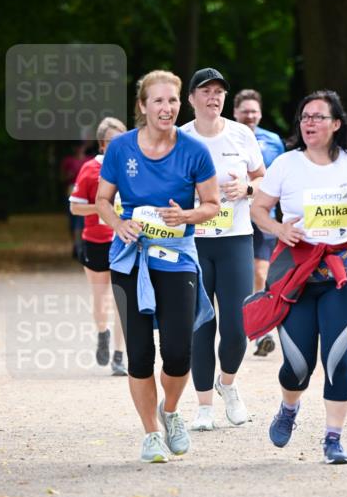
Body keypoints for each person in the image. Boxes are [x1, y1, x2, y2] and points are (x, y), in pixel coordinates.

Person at [251, 89, 347, 465]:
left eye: (318, 117)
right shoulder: (285, 165)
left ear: (336, 124)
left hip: (342, 273)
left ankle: (333, 438)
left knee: (338, 357)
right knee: (298, 366)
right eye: (305, 117)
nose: (309, 123)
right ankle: (289, 408)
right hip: (295, 273)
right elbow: (259, 209)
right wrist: (278, 230)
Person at [95, 70, 220, 463]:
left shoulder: (195, 151)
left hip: (178, 257)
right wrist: (119, 223)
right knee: (140, 354)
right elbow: (102, 200)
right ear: (142, 106)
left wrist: (186, 215)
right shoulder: (121, 149)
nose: (166, 108)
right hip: (131, 257)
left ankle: (170, 411)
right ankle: (150, 433)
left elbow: (214, 205)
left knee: (179, 352)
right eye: (158, 101)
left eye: (172, 101)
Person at [181, 69, 266, 430]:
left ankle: (227, 385)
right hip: (193, 242)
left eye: (219, 92)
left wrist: (246, 189)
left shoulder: (241, 134)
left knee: (236, 327)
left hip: (235, 239)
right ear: (191, 99)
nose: (213, 97)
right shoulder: (179, 138)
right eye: (206, 91)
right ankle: (203, 407)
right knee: (201, 324)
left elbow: (263, 180)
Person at [69, 117, 128, 375]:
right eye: (114, 141)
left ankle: (118, 356)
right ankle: (102, 334)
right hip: (96, 241)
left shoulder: (133, 168)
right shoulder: (90, 169)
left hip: (125, 241)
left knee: (123, 302)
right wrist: (103, 207)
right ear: (103, 144)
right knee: (101, 298)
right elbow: (74, 207)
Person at [233, 88, 285, 357]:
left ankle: (261, 332)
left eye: (254, 111)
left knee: (260, 273)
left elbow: (282, 177)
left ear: (261, 113)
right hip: (230, 217)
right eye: (245, 111)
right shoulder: (226, 136)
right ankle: (233, 329)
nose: (250, 115)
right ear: (235, 113)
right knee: (235, 277)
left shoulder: (274, 141)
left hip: (264, 216)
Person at [60, 140, 93, 259]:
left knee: (83, 220)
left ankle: (82, 245)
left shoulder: (89, 160)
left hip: (86, 193)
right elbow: (62, 177)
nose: (79, 149)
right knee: (73, 220)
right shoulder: (68, 161)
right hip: (72, 190)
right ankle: (77, 244)